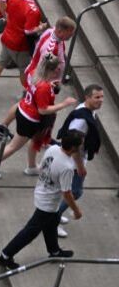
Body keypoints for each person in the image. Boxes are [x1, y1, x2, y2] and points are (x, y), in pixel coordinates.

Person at [0, 131, 84, 270]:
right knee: (30, 231)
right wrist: (76, 210)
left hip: (42, 192)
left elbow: (43, 166)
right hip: (48, 203)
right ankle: (5, 255)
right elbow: (66, 193)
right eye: (80, 144)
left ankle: (54, 251)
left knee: (52, 223)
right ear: (74, 147)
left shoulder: (53, 149)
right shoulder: (67, 167)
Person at [0, 58, 77, 181]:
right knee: (13, 146)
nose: (58, 71)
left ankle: (32, 166)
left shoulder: (35, 73)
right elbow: (43, 110)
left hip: (24, 109)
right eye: (57, 69)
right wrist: (64, 104)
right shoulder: (43, 87)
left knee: (35, 140)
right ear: (53, 70)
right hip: (30, 119)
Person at [54, 84, 103, 238]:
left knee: (67, 191)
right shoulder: (81, 121)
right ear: (87, 97)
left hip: (74, 161)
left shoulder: (87, 111)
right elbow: (74, 146)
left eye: (102, 97)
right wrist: (80, 167)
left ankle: (55, 213)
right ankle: (53, 220)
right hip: (73, 163)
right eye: (97, 97)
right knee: (75, 191)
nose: (100, 100)